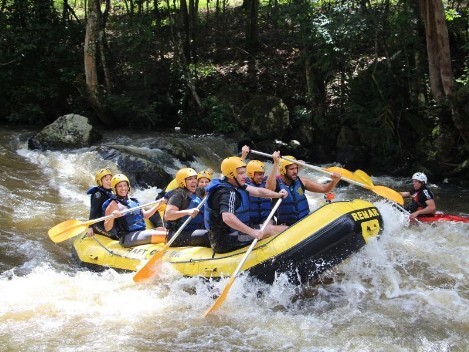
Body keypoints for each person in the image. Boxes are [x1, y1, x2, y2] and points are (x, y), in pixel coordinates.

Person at [204, 156, 288, 254]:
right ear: (231, 174)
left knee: (270, 225)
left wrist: (278, 194)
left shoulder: (235, 184)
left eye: (245, 172)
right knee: (279, 229)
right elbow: (227, 217)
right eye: (241, 173)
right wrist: (252, 232)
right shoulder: (226, 193)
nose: (245, 176)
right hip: (226, 240)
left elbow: (258, 191)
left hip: (231, 234)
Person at [265, 151, 341, 226]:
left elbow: (325, 189)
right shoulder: (276, 184)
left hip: (304, 223)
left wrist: (334, 181)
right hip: (286, 227)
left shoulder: (302, 181)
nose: (295, 171)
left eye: (296, 168)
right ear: (283, 170)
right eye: (291, 169)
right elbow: (269, 189)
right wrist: (276, 163)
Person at [103, 174, 166, 247]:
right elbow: (107, 228)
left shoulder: (134, 201)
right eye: (119, 186)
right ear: (115, 189)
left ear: (128, 186)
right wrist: (112, 217)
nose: (123, 188)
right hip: (127, 237)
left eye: (125, 185)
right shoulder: (113, 204)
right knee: (165, 235)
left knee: (164, 231)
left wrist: (159, 205)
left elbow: (145, 215)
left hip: (141, 232)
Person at [164, 168, 210, 247]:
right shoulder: (178, 195)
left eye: (195, 178)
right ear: (182, 181)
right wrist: (187, 212)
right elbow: (168, 215)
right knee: (208, 236)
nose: (194, 181)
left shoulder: (197, 191)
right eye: (190, 179)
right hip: (178, 234)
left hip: (196, 229)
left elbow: (210, 187)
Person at [86, 168, 118, 239]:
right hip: (98, 224)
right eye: (106, 180)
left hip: (107, 221)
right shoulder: (98, 195)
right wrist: (90, 227)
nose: (109, 182)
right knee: (117, 236)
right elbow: (93, 211)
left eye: (110, 179)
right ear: (100, 182)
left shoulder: (111, 192)